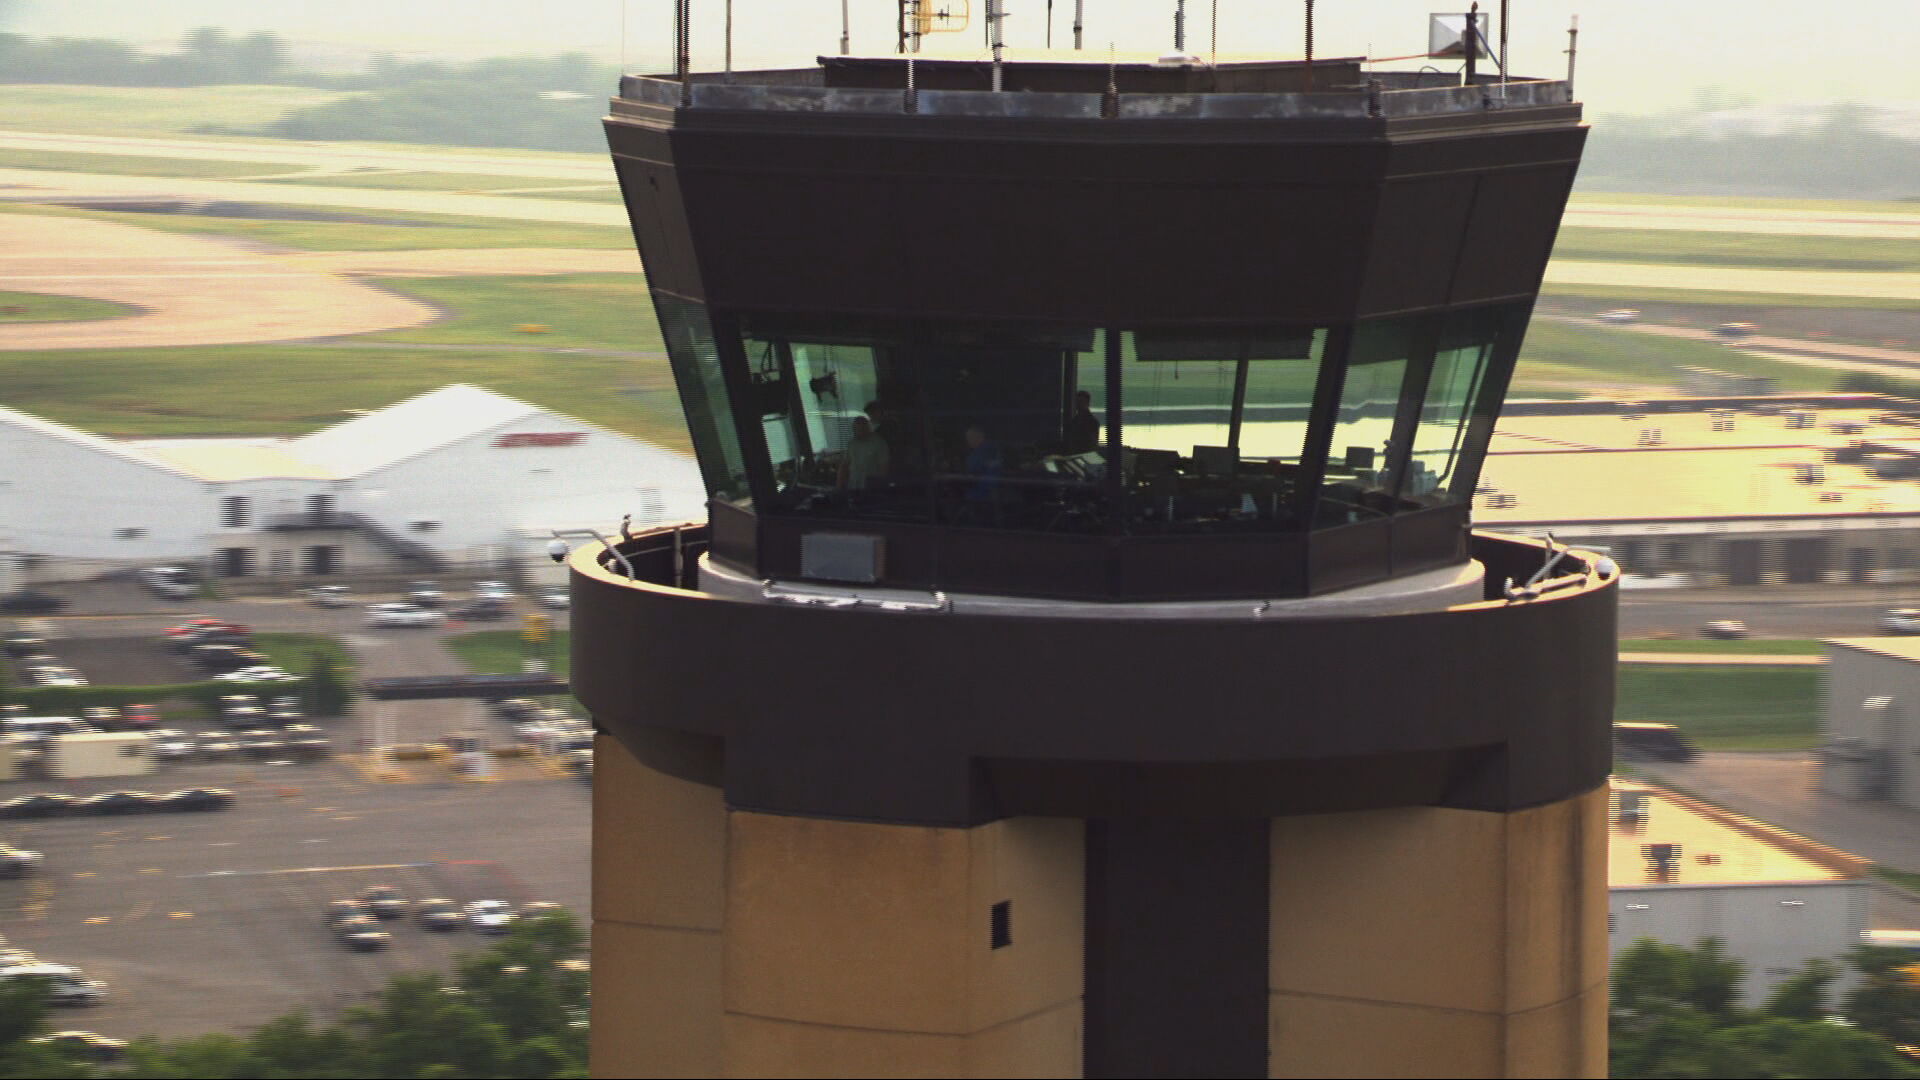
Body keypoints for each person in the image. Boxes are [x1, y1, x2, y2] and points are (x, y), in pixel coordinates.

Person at [837, 415, 890, 491]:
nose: (858, 431)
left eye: (861, 428)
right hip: (853, 486)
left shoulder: (879, 443)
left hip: (872, 487)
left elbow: (884, 467)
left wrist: (881, 487)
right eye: (856, 428)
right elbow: (844, 465)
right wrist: (839, 485)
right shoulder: (852, 444)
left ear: (867, 428)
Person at [1066, 390, 1102, 454]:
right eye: (1077, 402)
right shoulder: (1075, 420)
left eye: (1081, 402)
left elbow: (1092, 444)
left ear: (1087, 403)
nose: (1079, 404)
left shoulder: (1091, 422)